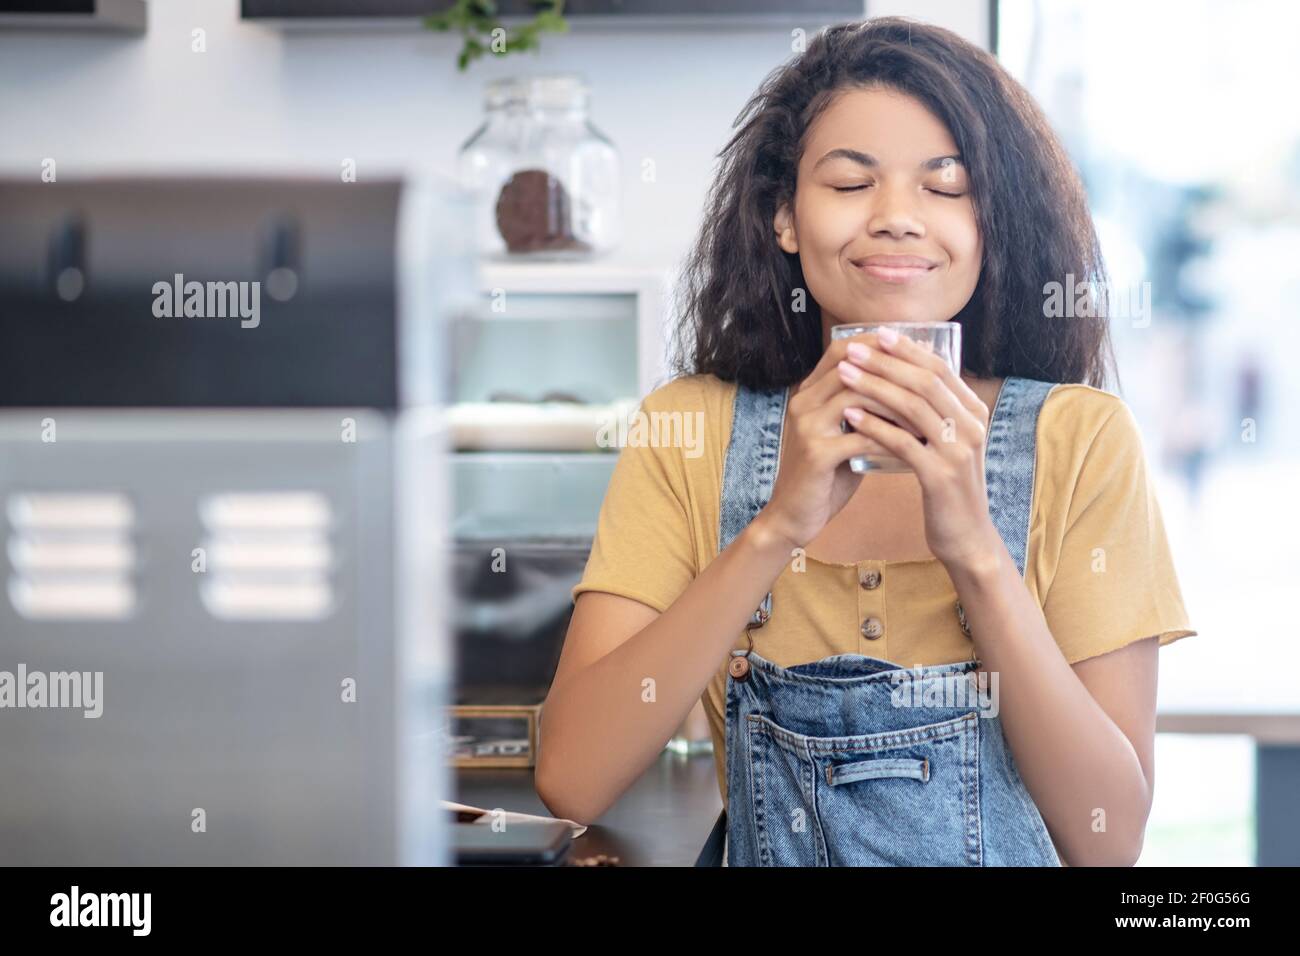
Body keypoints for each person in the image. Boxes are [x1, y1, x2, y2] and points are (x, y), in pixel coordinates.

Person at [536, 17, 1196, 867]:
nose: (896, 219)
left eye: (946, 185)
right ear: (784, 216)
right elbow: (573, 779)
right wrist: (776, 527)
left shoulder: (1082, 440)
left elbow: (1107, 841)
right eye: (850, 183)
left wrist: (975, 550)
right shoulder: (690, 428)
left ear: (993, 222)